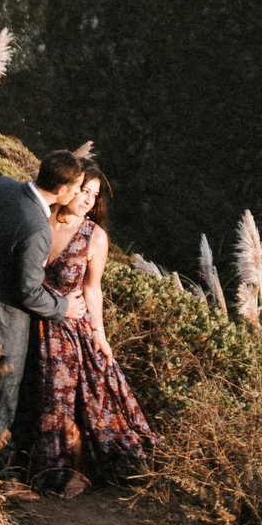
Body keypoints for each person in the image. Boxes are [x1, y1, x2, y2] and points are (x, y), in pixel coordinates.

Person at [25, 157, 156, 496]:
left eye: (94, 195)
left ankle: (69, 473)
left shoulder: (94, 236)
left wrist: (100, 335)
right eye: (83, 190)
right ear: (66, 188)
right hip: (29, 323)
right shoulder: (40, 218)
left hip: (69, 329)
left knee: (65, 399)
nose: (87, 199)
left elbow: (91, 288)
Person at [0, 150, 84, 475]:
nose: (80, 195)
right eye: (77, 188)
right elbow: (29, 293)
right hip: (4, 322)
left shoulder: (2, 185)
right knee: (2, 394)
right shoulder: (38, 228)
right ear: (63, 191)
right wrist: (65, 308)